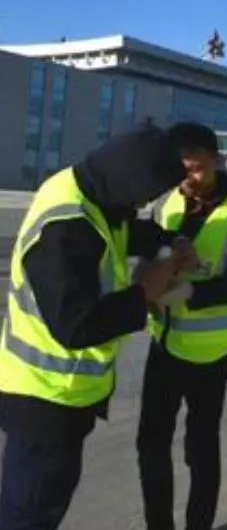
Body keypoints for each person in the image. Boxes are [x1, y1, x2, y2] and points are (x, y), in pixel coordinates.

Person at [0, 126, 195, 530]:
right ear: (129, 179)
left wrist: (169, 239)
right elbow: (76, 327)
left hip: (67, 395)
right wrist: (145, 293)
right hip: (45, 397)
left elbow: (123, 231)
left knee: (39, 502)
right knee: (31, 511)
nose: (141, 204)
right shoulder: (66, 228)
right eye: (143, 195)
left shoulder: (91, 190)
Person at [136, 121, 227, 530]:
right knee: (151, 443)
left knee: (199, 447)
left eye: (196, 168)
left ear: (217, 161)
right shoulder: (165, 205)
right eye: (181, 170)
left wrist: (188, 295)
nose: (188, 179)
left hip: (212, 352)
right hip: (163, 343)